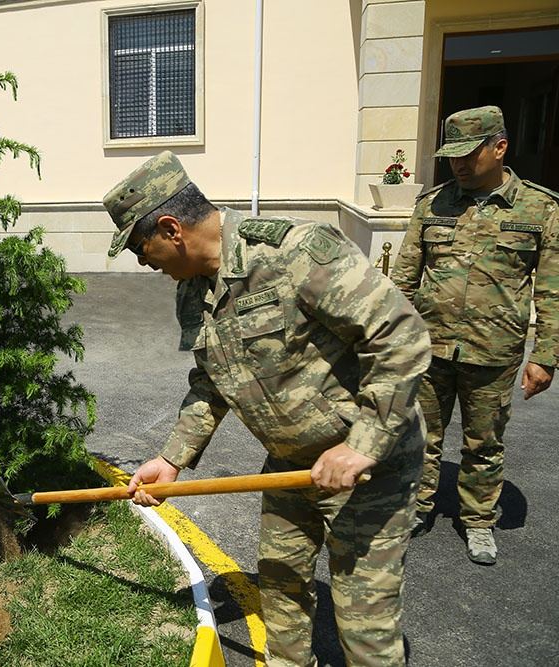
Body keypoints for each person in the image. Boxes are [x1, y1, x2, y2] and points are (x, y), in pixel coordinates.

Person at [106, 151, 430, 666]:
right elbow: (211, 382)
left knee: (364, 626)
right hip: (290, 465)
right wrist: (172, 459)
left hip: (371, 467)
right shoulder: (194, 292)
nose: (146, 265)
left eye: (143, 251)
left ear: (172, 229)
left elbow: (402, 336)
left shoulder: (295, 252)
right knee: (279, 593)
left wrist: (361, 445)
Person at [390, 105, 558, 565]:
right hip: (430, 347)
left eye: (469, 155)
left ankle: (479, 519)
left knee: (484, 441)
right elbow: (403, 281)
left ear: (499, 147)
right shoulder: (432, 205)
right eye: (452, 157)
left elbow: (552, 289)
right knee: (421, 435)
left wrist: (545, 354)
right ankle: (417, 506)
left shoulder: (539, 208)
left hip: (495, 350)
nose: (458, 165)